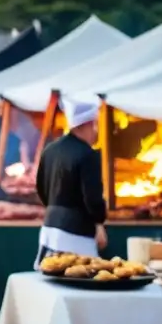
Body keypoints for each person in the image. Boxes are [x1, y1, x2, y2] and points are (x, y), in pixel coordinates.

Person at [34, 100, 106, 266]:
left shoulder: (49, 150)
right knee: (83, 282)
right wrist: (99, 223)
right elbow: (92, 197)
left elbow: (40, 189)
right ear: (86, 125)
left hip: (49, 228)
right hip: (77, 234)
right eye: (94, 125)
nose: (96, 132)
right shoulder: (88, 155)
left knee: (51, 280)